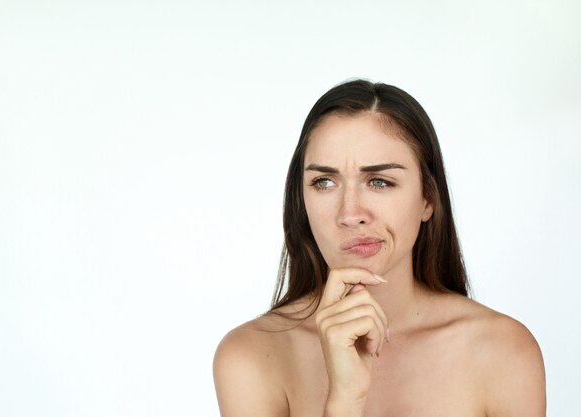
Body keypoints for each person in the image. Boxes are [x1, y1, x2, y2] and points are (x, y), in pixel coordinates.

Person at [212, 79, 546, 417]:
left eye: (380, 182)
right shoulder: (252, 356)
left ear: (428, 199)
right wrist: (345, 400)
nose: (350, 214)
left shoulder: (503, 351)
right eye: (324, 182)